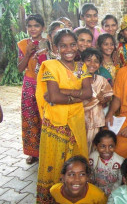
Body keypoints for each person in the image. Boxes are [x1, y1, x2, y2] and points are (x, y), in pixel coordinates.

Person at [35, 28, 92, 202]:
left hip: (75, 122)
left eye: (72, 44)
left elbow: (88, 93)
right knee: (54, 164)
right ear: (55, 47)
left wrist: (64, 92)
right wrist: (76, 96)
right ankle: (51, 198)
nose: (69, 49)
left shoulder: (82, 67)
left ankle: (74, 198)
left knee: (75, 162)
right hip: (56, 124)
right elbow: (53, 97)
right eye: (63, 46)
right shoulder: (50, 66)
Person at [17, 14, 46, 165]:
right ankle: (33, 152)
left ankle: (47, 150)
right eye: (30, 26)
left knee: (45, 118)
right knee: (30, 118)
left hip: (46, 84)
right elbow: (19, 68)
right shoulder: (22, 44)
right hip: (29, 85)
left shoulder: (49, 43)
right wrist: (28, 53)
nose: (33, 29)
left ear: (43, 27)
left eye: (36, 25)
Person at [81, 48, 113, 154]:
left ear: (100, 64)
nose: (92, 64)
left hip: (95, 120)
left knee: (92, 146)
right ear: (82, 62)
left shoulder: (101, 80)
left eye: (96, 61)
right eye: (88, 60)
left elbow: (109, 95)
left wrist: (104, 98)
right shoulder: (77, 79)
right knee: (80, 146)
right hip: (80, 120)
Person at [89, 130, 124, 196]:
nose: (107, 150)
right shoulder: (92, 158)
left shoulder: (120, 162)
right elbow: (90, 176)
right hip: (95, 193)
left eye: (111, 146)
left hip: (113, 195)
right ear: (95, 146)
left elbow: (120, 182)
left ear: (115, 146)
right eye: (103, 146)